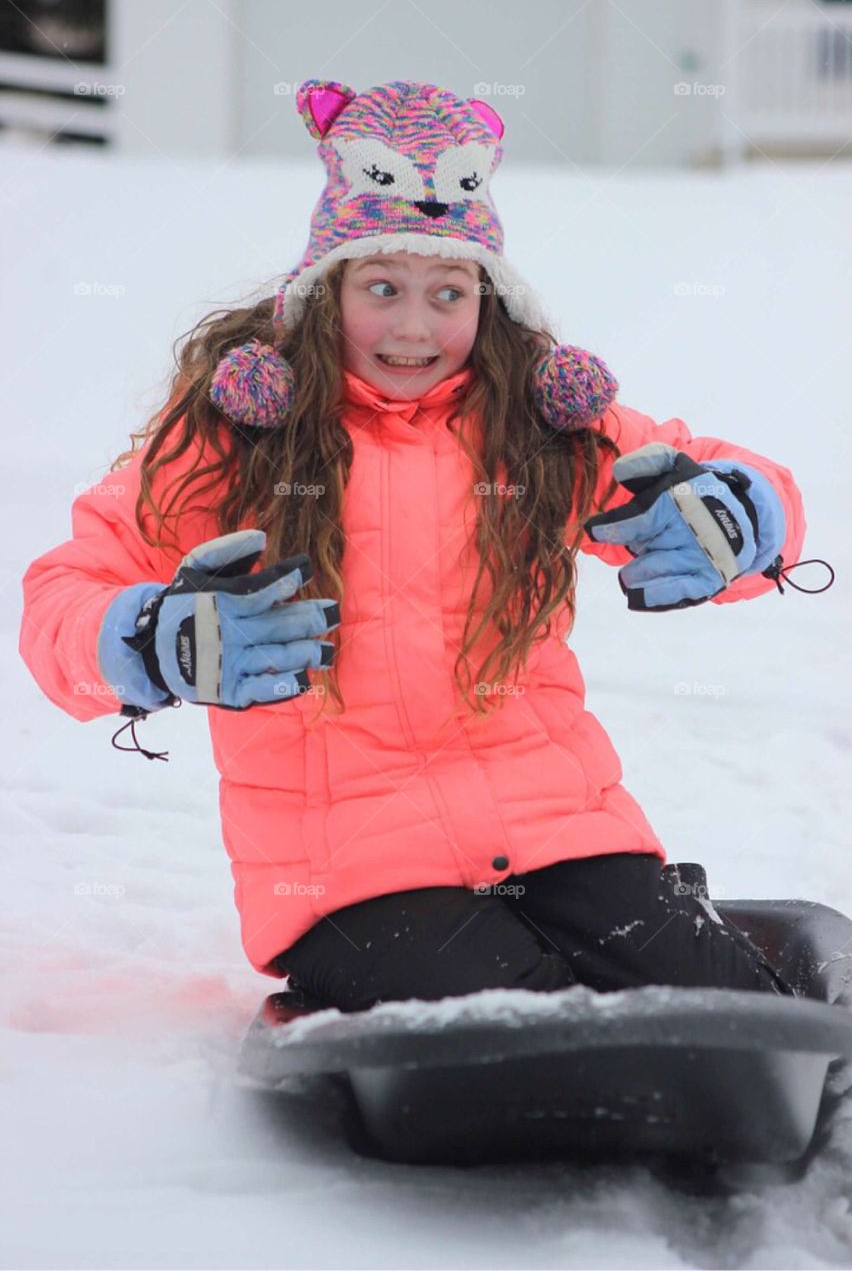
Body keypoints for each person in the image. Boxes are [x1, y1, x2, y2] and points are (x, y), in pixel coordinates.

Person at [19, 79, 826, 1014]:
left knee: (724, 1012)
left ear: (488, 300)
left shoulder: (537, 423)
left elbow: (714, 467)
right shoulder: (240, 436)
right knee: (509, 1024)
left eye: (448, 292)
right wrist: (149, 635)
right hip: (353, 869)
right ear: (329, 290)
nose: (413, 327)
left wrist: (738, 514)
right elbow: (64, 593)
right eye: (382, 288)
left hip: (561, 830)